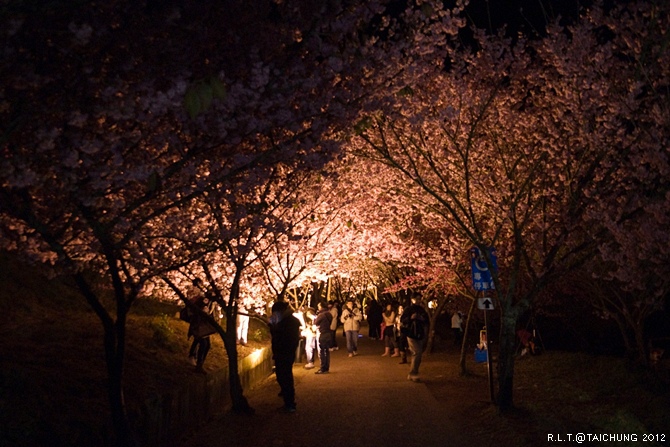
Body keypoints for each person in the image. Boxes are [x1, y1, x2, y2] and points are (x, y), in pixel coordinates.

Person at [269, 301, 301, 413]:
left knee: (285, 377)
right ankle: (289, 402)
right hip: (284, 352)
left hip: (284, 352)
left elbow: (282, 337)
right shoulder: (287, 321)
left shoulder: (287, 322)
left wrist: (273, 327)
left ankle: (290, 404)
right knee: (283, 376)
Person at [187, 293, 217, 374]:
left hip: (203, 326)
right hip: (198, 325)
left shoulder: (211, 302)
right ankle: (198, 365)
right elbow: (196, 311)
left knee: (207, 345)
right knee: (203, 344)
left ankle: (199, 364)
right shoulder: (204, 300)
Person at [400, 299, 429, 382]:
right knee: (417, 352)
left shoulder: (422, 311)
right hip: (411, 333)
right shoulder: (409, 310)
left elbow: (426, 321)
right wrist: (411, 318)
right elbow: (403, 320)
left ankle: (413, 372)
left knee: (417, 354)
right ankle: (413, 373)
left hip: (420, 333)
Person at [314, 301, 333, 374]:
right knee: (327, 351)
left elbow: (316, 323)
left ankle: (322, 368)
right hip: (328, 333)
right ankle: (326, 368)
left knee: (322, 351)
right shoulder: (329, 314)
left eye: (319, 306)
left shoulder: (321, 315)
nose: (318, 307)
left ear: (321, 306)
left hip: (323, 333)